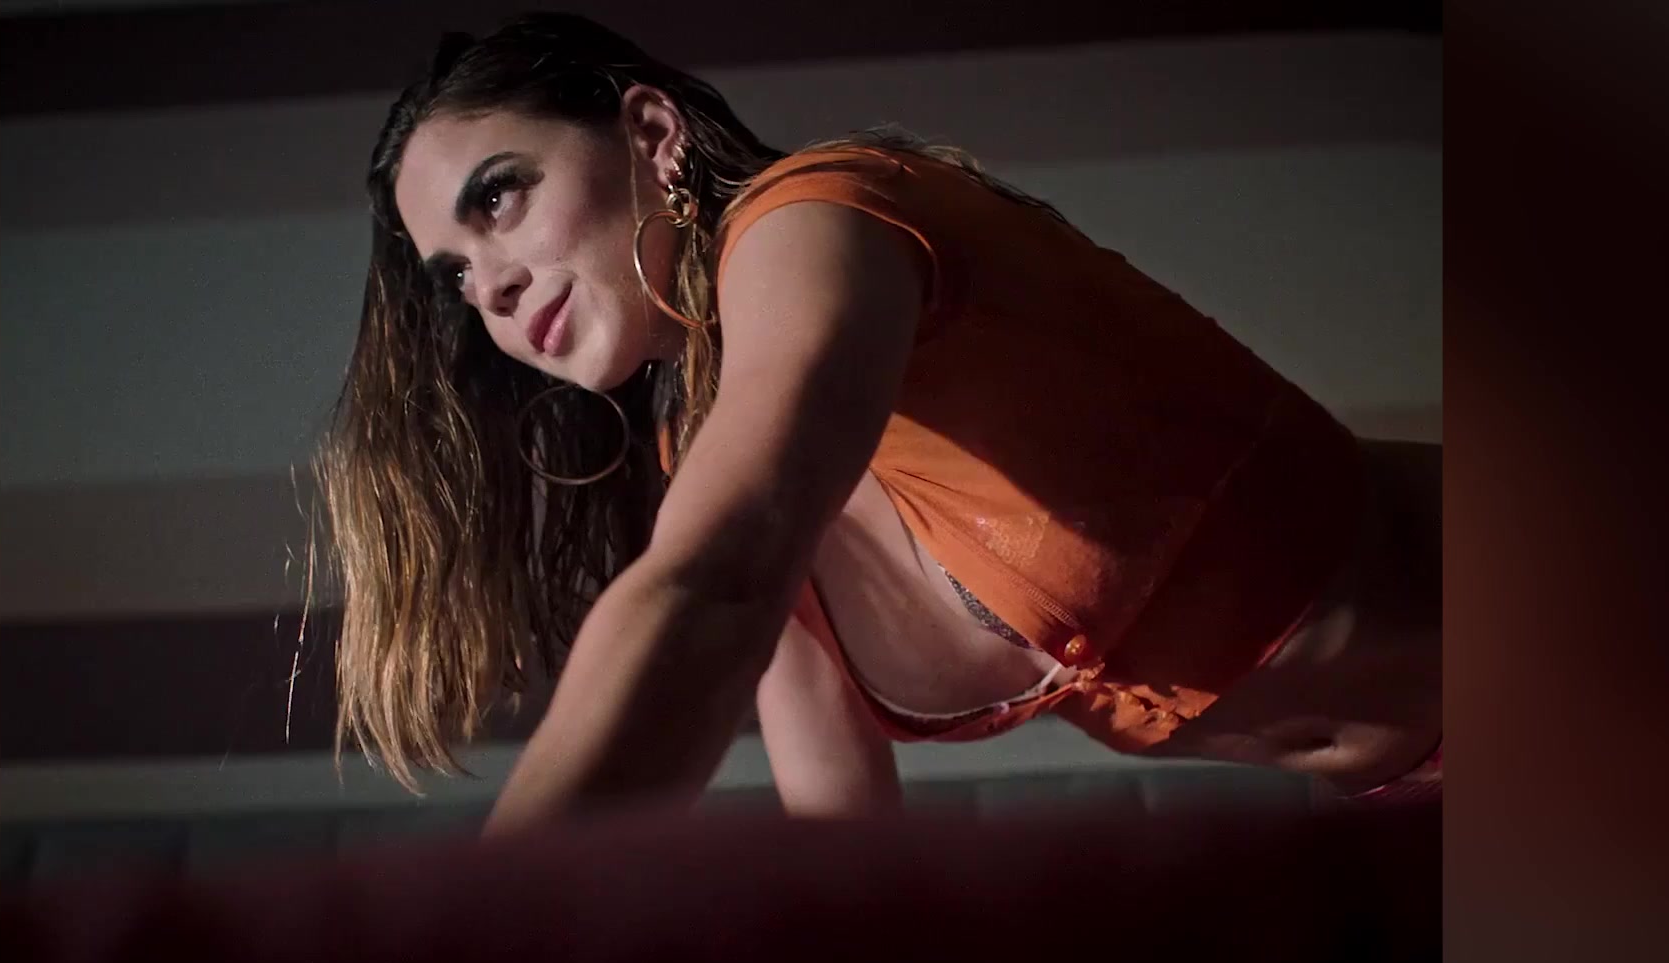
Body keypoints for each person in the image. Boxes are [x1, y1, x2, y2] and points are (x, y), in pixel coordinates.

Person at [314, 13, 1442, 831]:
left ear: (652, 133)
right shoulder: (705, 442)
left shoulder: (814, 218)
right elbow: (839, 830)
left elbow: (710, 594)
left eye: (499, 196)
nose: (490, 285)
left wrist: (470, 952)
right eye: (454, 275)